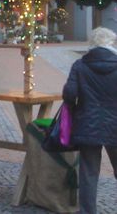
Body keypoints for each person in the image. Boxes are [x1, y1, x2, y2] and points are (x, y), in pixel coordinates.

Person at [62, 27, 117, 214]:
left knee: (89, 173)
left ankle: (87, 211)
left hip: (88, 125)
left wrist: (76, 107)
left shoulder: (80, 65)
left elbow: (69, 94)